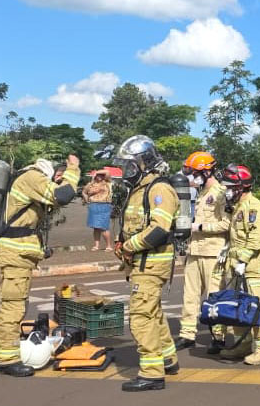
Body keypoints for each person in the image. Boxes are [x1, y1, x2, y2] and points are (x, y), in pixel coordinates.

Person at [0, 154, 80, 377]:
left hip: (18, 252)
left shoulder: (25, 178)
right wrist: (73, 170)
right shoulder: (32, 177)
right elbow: (62, 195)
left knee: (16, 303)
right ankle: (5, 359)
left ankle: (6, 353)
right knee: (13, 306)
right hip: (15, 253)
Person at [115, 135, 179, 392]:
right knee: (153, 313)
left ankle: (152, 373)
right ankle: (167, 358)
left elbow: (159, 230)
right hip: (143, 263)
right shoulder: (140, 189)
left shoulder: (159, 189)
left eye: (130, 165)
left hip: (151, 264)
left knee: (140, 317)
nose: (126, 171)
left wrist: (130, 246)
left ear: (144, 163)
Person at [175, 151, 228, 353]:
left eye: (194, 172)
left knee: (214, 297)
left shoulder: (221, 192)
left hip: (213, 252)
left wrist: (200, 227)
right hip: (194, 250)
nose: (191, 176)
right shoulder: (201, 193)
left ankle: (218, 336)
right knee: (190, 295)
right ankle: (187, 334)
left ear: (206, 172)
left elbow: (226, 223)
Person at [222, 164, 260, 365]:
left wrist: (242, 260)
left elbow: (255, 239)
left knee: (255, 309)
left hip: (252, 268)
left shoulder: (254, 208)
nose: (226, 190)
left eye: (230, 186)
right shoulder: (238, 208)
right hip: (236, 267)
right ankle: (242, 345)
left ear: (241, 187)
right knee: (238, 309)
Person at [82, 170, 113, 250]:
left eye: (101, 175)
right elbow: (84, 192)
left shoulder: (107, 183)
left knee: (104, 227)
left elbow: (107, 172)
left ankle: (108, 246)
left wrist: (97, 172)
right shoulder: (90, 184)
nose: (100, 176)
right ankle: (96, 245)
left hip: (104, 205)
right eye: (98, 175)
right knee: (96, 227)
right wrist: (87, 200)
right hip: (93, 205)